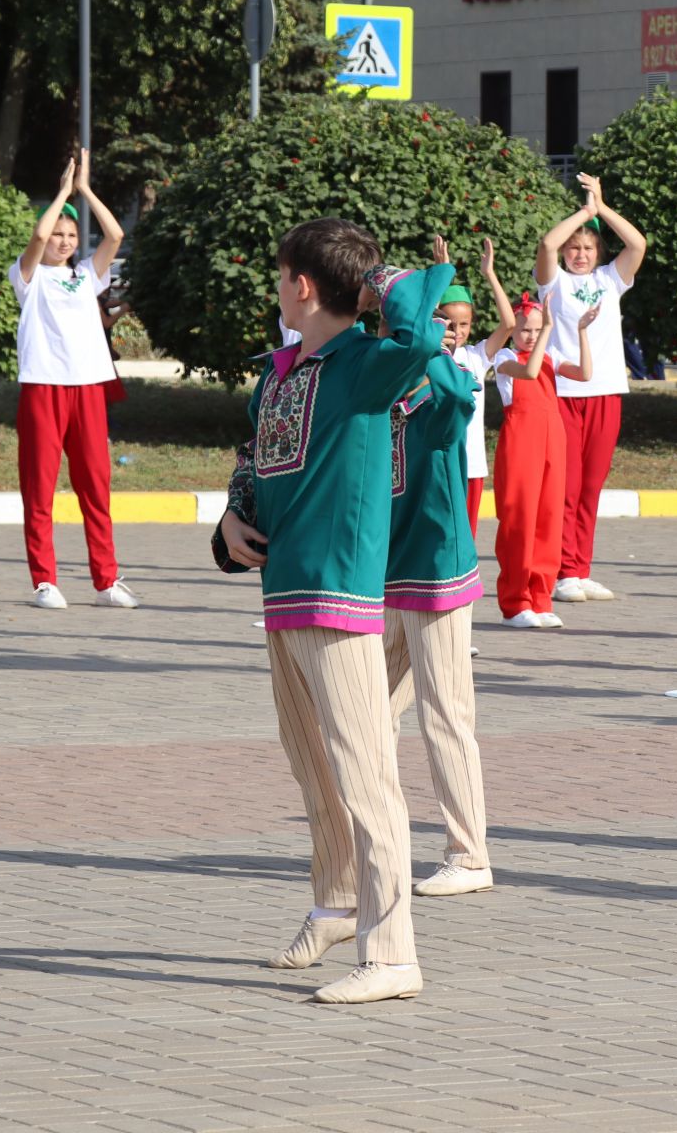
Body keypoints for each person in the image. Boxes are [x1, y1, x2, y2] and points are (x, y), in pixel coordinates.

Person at [215, 218, 453, 1005]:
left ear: (303, 286)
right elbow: (253, 461)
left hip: (342, 593)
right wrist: (229, 519)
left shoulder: (365, 365)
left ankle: (394, 955)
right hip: (281, 591)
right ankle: (336, 904)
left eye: (283, 275)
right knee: (312, 765)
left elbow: (421, 334)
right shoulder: (280, 373)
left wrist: (373, 281)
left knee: (367, 775)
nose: (276, 287)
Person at [382, 237, 492, 901]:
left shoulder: (443, 381)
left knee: (445, 714)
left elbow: (457, 397)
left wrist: (433, 341)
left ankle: (469, 853)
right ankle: (376, 832)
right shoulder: (384, 377)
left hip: (437, 573)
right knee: (365, 709)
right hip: (391, 570)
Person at [10, 151, 136, 610]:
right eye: (58, 235)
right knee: (39, 489)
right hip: (42, 388)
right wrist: (63, 191)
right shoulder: (27, 276)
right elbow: (38, 234)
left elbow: (116, 234)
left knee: (95, 488)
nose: (62, 241)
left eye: (71, 235)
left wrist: (84, 190)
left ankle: (106, 581)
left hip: (88, 389)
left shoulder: (86, 277)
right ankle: (45, 580)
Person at [535, 172, 646, 606]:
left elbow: (636, 245)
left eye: (588, 247)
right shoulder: (554, 281)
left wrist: (602, 209)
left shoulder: (609, 280)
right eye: (574, 248)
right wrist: (583, 212)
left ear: (598, 251)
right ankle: (564, 572)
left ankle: (581, 569)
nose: (580, 254)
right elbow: (545, 246)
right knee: (567, 485)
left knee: (591, 487)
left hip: (605, 393)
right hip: (564, 393)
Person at [492, 293, 597, 628]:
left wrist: (580, 331)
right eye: (525, 330)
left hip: (553, 442)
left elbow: (585, 374)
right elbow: (529, 371)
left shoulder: (550, 355)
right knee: (519, 521)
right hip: (521, 443)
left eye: (537, 330)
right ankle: (514, 603)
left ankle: (540, 598)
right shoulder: (504, 357)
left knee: (548, 520)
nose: (532, 336)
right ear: (512, 330)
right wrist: (549, 326)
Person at [444, 238, 515, 539]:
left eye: (464, 324)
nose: (457, 332)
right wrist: (441, 273)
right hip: (438, 462)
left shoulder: (475, 357)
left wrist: (490, 274)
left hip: (470, 464)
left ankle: (462, 587)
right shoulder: (425, 354)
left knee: (464, 538)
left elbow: (509, 324)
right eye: (449, 323)